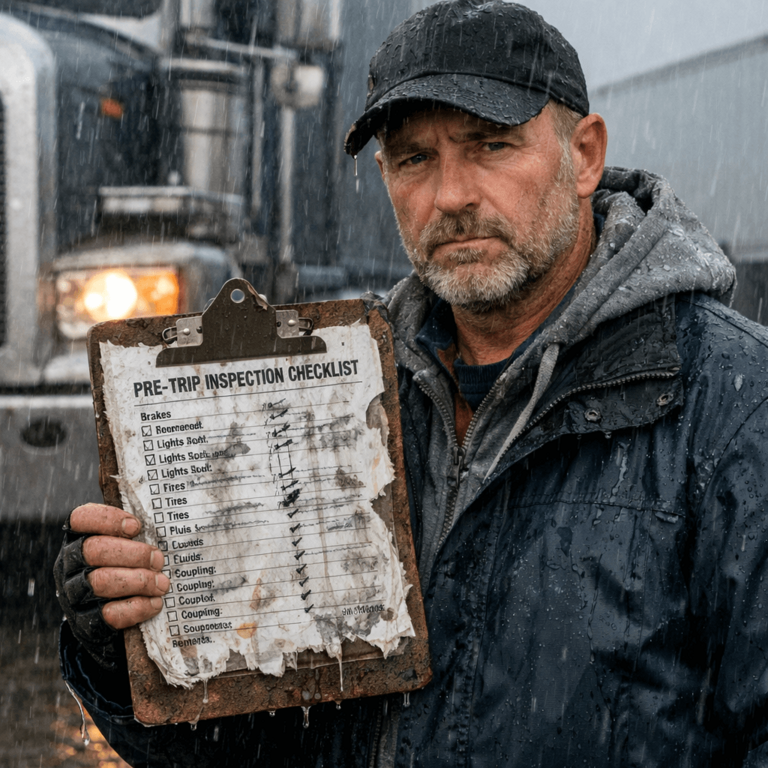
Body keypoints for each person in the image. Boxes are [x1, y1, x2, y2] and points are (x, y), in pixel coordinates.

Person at [54, 1, 768, 765]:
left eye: (491, 144)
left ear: (585, 154)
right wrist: (130, 645)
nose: (451, 196)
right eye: (414, 158)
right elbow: (248, 748)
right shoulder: (333, 395)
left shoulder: (734, 405)